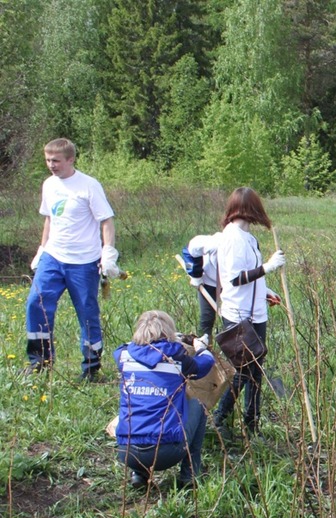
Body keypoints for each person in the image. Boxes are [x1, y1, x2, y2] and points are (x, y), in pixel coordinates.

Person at [187, 187, 285, 437]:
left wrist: (265, 290)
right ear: (250, 209)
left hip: (256, 313)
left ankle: (252, 425)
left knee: (256, 372)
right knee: (244, 371)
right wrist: (268, 267)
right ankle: (220, 419)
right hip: (238, 315)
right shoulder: (231, 237)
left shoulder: (248, 237)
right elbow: (234, 278)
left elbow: (249, 275)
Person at [26, 138, 120, 379]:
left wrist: (108, 252)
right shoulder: (49, 185)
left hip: (84, 262)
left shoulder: (88, 185)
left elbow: (106, 220)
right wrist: (42, 249)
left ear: (70, 159)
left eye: (56, 160)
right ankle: (40, 362)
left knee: (87, 313)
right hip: (53, 257)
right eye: (48, 160)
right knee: (36, 303)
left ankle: (90, 368)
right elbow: (49, 218)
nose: (51, 165)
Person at [114, 310, 214, 489]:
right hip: (166, 451)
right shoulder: (176, 358)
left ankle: (139, 473)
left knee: (139, 404)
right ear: (168, 333)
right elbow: (205, 364)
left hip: (126, 451)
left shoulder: (123, 355)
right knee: (199, 404)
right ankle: (189, 475)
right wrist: (201, 348)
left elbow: (126, 346)